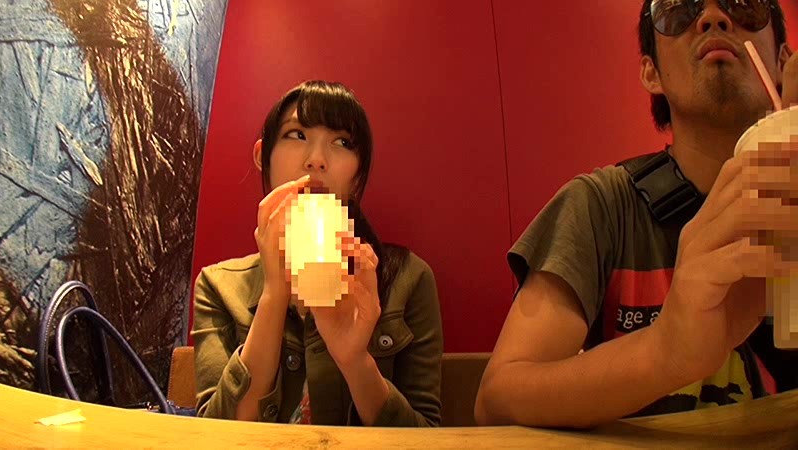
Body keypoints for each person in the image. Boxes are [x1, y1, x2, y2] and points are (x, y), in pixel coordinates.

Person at [475, 0, 798, 428]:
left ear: (783, 62)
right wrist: (666, 351)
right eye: (678, 9)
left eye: (744, 3)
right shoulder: (602, 207)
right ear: (651, 73)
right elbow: (497, 401)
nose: (713, 17)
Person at [192, 80, 442, 426]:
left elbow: (426, 438)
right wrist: (275, 293)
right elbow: (215, 436)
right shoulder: (218, 286)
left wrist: (356, 361)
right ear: (263, 157)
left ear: (357, 177)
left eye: (342, 143)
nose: (317, 161)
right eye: (296, 135)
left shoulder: (407, 280)